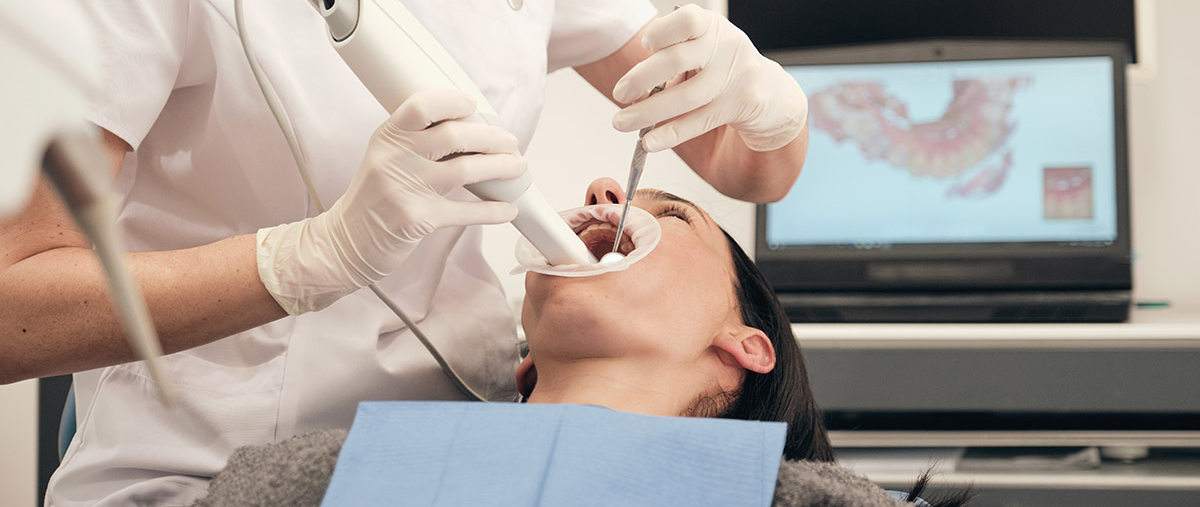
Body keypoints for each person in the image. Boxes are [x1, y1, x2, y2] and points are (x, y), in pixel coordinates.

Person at [0, 0, 812, 504]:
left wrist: (771, 107)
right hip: (207, 470)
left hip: (467, 455)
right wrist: (306, 259)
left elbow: (740, 162)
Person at [190, 181, 972, 507]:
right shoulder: (303, 483)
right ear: (524, 359)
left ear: (746, 345)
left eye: (672, 212)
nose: (602, 194)